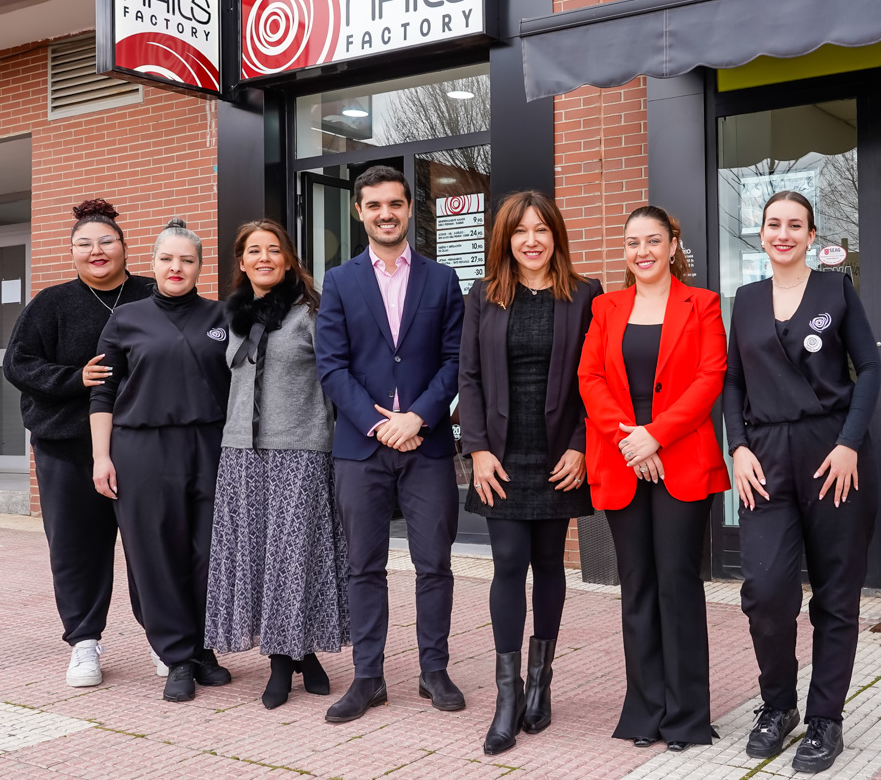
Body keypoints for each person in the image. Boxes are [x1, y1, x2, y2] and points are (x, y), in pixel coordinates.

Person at [723, 190, 881, 774]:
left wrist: (848, 443)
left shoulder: (836, 291)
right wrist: (736, 447)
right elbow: (733, 382)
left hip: (831, 455)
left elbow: (868, 370)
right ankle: (778, 706)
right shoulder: (745, 300)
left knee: (836, 594)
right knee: (766, 591)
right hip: (765, 458)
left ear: (812, 236)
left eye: (795, 225)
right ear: (760, 235)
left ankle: (825, 720)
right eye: (773, 225)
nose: (783, 233)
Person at [315, 165, 465, 723]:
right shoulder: (339, 282)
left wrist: (419, 418)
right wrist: (380, 424)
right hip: (361, 447)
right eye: (374, 205)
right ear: (360, 211)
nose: (385, 213)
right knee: (363, 566)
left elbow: (455, 362)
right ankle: (368, 677)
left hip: (425, 447)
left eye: (395, 204)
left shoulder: (442, 280)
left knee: (435, 564)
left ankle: (434, 671)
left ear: (409, 208)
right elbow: (331, 368)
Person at [578, 206, 729, 752]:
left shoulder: (703, 303)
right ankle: (644, 711)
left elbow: (711, 377)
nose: (642, 251)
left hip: (681, 460)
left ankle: (687, 716)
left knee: (678, 585)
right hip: (624, 459)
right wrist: (631, 440)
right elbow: (589, 377)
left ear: (672, 245)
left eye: (652, 241)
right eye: (632, 243)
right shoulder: (605, 307)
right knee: (637, 586)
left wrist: (656, 436)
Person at [458, 190, 601, 755]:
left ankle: (541, 684)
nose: (532, 240)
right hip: (501, 455)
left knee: (549, 564)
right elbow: (468, 377)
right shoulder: (485, 294)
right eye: (521, 231)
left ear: (556, 235)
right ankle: (507, 696)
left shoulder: (586, 295)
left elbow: (599, 378)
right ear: (506, 239)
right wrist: (477, 450)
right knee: (508, 564)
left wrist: (582, 444)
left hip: (559, 456)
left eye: (542, 229)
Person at [3, 199, 155, 688]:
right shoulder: (50, 303)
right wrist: (75, 378)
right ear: (71, 252)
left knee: (151, 547)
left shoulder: (151, 295)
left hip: (140, 447)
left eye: (107, 241)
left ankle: (166, 639)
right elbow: (18, 364)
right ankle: (84, 642)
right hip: (65, 448)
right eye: (85, 244)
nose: (97, 251)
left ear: (125, 247)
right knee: (74, 549)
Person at [205, 220, 350, 710]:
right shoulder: (232, 316)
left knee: (293, 559)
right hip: (241, 453)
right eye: (253, 251)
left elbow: (338, 378)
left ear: (288, 260)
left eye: (274, 250)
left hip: (300, 452)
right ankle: (302, 653)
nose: (264, 258)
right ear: (241, 262)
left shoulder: (312, 311)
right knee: (259, 559)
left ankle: (280, 664)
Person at [90, 218, 233, 703]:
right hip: (142, 449)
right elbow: (102, 393)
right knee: (155, 553)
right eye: (167, 259)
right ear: (151, 265)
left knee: (210, 553)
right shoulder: (126, 318)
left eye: (187, 260)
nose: (177, 267)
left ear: (199, 267)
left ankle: (205, 648)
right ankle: (176, 656)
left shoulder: (222, 317)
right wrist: (101, 457)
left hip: (210, 446)